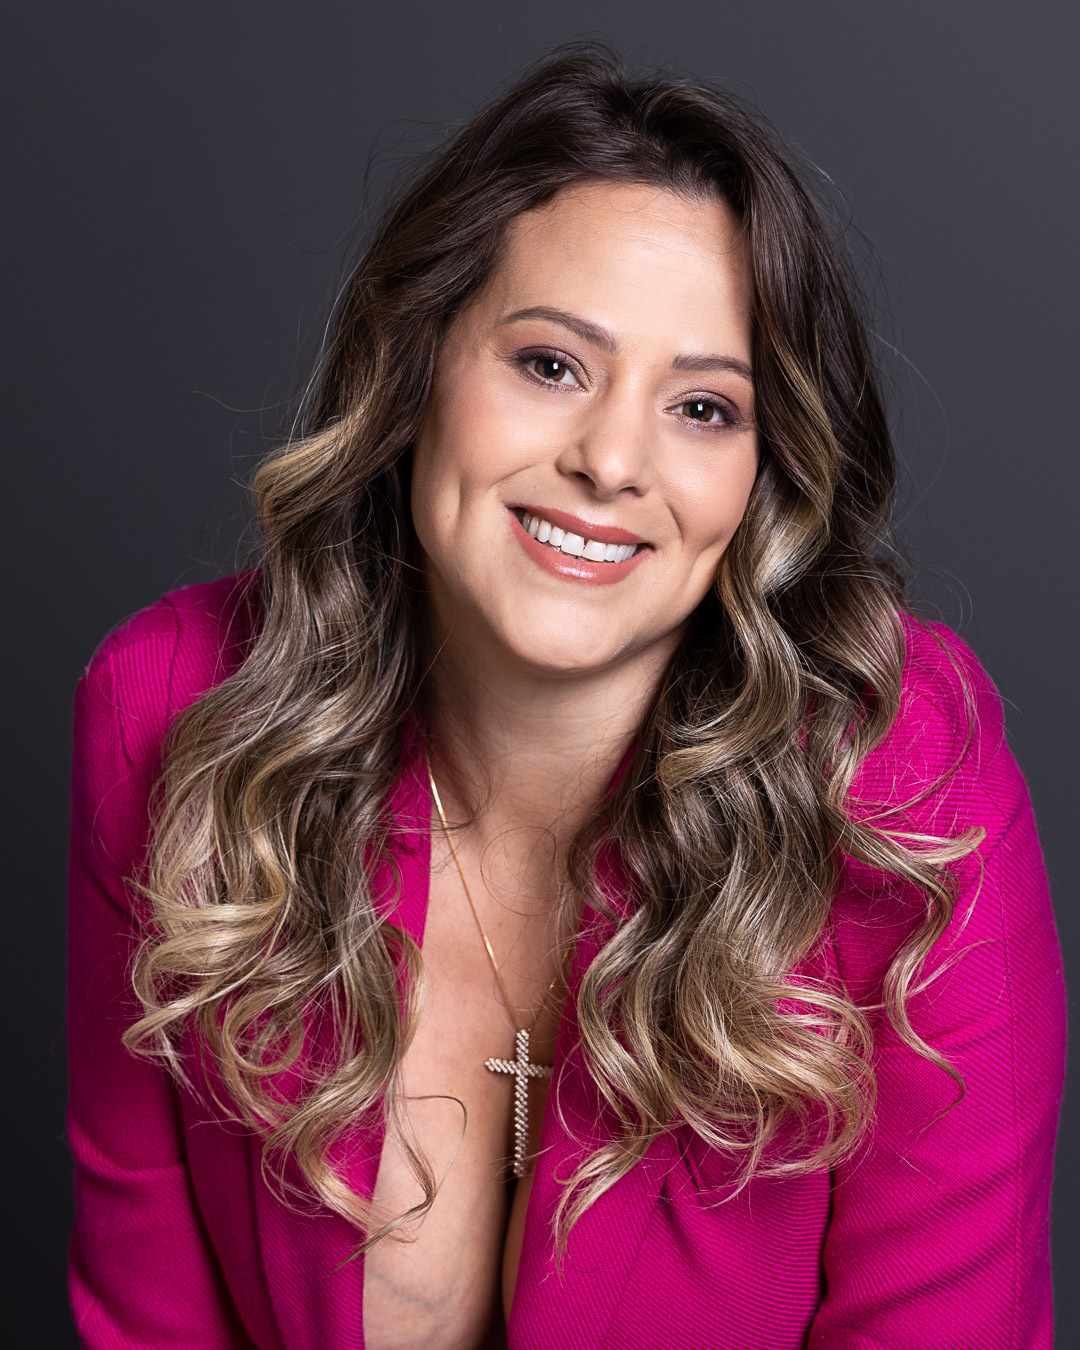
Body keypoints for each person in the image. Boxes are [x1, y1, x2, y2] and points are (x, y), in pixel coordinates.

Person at [66, 43, 1066, 1350]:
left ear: (763, 473)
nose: (610, 459)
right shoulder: (180, 714)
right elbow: (151, 1314)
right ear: (416, 364)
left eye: (702, 407)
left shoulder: (899, 779)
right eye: (550, 364)